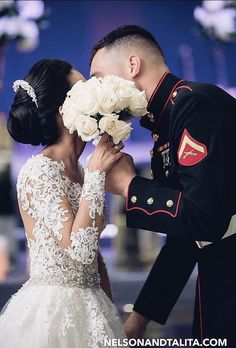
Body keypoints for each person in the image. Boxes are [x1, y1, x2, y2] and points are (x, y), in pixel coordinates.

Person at [90, 25, 236, 346]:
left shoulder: (197, 105)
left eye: (99, 79)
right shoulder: (167, 120)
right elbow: (184, 236)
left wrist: (130, 186)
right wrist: (141, 317)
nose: (97, 92)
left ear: (132, 66)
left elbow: (204, 220)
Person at [0, 58, 127, 348]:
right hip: (54, 313)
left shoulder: (82, 169)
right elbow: (79, 249)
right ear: (63, 109)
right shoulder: (40, 171)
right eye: (84, 91)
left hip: (94, 306)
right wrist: (96, 174)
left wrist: (112, 314)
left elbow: (94, 257)